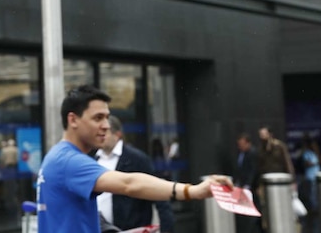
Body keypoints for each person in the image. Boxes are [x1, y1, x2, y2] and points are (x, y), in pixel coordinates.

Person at [36, 85, 232, 233]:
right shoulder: (69, 161)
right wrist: (192, 191)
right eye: (98, 118)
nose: (106, 125)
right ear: (73, 120)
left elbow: (74, 219)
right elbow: (129, 183)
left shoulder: (57, 157)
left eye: (106, 117)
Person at [96, 115, 175, 232]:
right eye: (98, 133)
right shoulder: (92, 160)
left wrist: (167, 229)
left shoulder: (137, 159)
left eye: (105, 133)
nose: (101, 137)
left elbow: (160, 197)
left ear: (117, 134)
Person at [256, 126, 295, 232]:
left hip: (280, 181)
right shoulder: (261, 149)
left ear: (269, 134)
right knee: (267, 207)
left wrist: (292, 181)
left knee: (283, 206)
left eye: (264, 134)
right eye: (261, 135)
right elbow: (260, 168)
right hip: (266, 182)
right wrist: (259, 185)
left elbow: (287, 163)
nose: (262, 137)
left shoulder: (279, 146)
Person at [232, 133, 263, 233]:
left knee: (254, 209)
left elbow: (252, 171)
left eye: (241, 144)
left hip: (251, 187)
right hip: (242, 186)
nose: (239, 146)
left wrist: (248, 185)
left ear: (247, 143)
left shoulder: (252, 153)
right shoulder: (241, 154)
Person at [299, 135, 321, 233]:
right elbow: (306, 163)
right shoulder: (306, 153)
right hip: (310, 176)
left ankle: (315, 208)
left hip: (316, 175)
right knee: (311, 193)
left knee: (315, 192)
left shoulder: (314, 153)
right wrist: (315, 163)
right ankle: (312, 209)